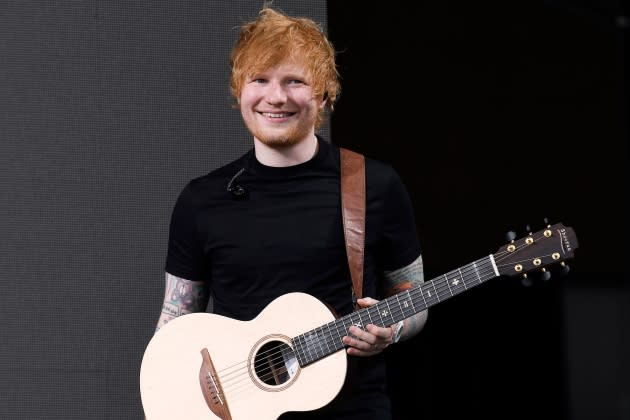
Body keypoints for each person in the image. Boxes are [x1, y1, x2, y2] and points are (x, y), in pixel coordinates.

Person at [152, 6, 428, 420]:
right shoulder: (201, 200)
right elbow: (175, 319)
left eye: (294, 81)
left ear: (323, 93)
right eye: (259, 80)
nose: (275, 97)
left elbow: (414, 298)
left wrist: (392, 330)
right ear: (239, 90)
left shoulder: (373, 185)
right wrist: (169, 404)